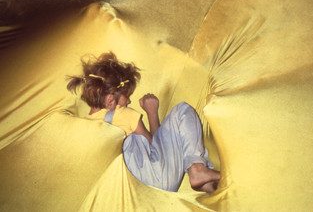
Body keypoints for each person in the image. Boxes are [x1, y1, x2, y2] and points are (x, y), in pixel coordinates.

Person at [67, 52, 220, 192]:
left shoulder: (84, 128)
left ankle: (205, 182)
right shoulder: (122, 115)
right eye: (126, 96)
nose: (128, 101)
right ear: (110, 100)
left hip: (136, 191)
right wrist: (152, 113)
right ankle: (198, 169)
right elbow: (156, 146)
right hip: (157, 178)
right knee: (182, 111)